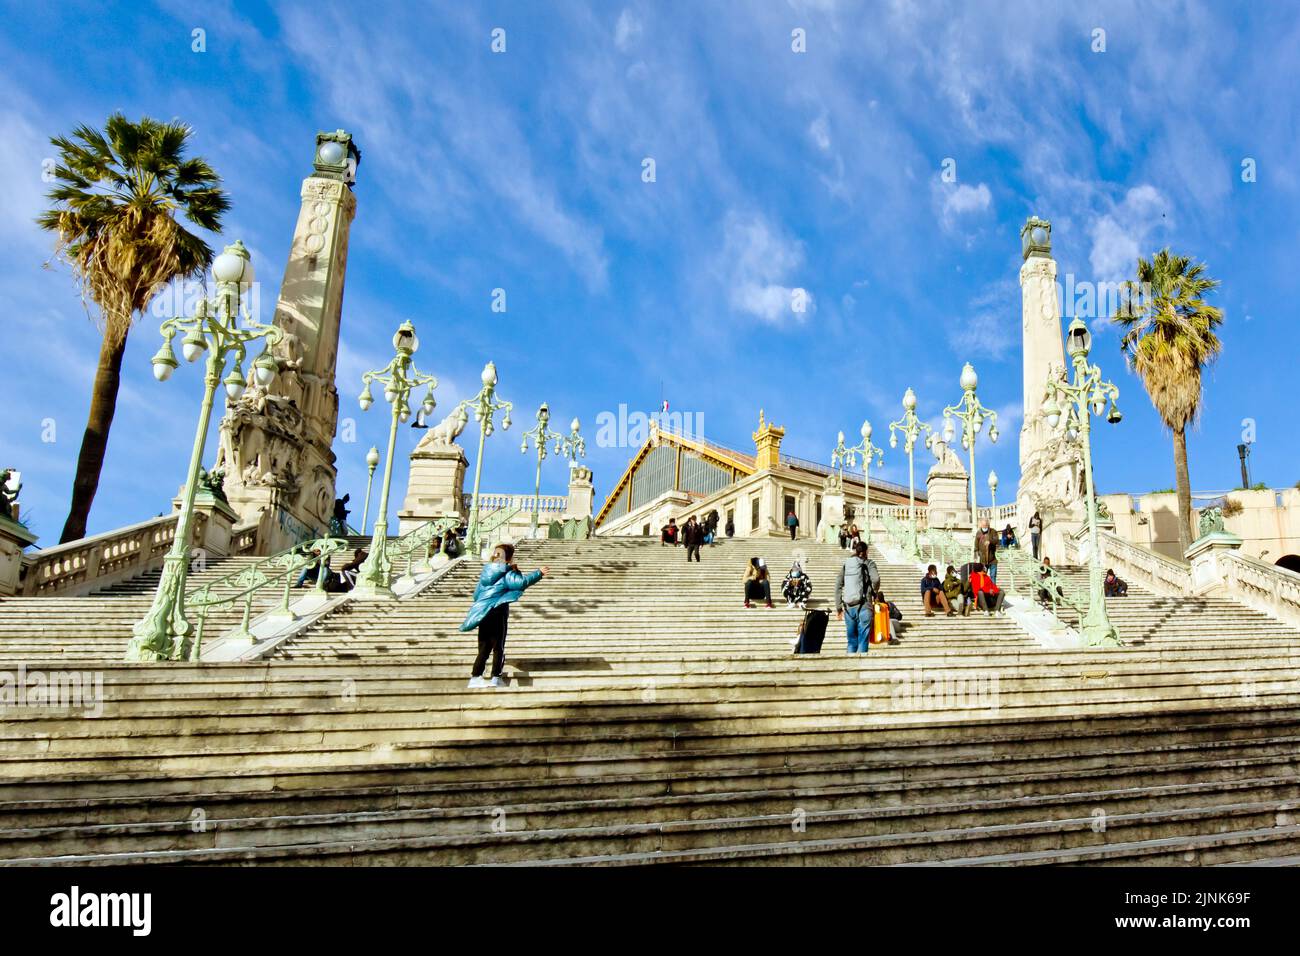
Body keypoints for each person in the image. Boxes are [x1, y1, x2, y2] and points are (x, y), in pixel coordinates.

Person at [460, 543, 549, 688]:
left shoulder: (487, 572)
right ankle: (495, 677)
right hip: (497, 611)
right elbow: (521, 583)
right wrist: (538, 572)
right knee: (497, 646)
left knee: (484, 645)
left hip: (483, 611)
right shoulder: (506, 572)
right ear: (509, 556)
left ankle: (477, 677)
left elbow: (476, 595)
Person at [834, 540, 880, 653]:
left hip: (849, 607)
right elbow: (876, 579)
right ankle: (860, 667)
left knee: (851, 641)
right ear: (866, 551)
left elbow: (838, 585)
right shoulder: (869, 563)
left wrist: (838, 607)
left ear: (855, 551)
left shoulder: (847, 565)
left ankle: (850, 667)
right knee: (863, 641)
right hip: (864, 605)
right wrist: (874, 591)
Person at [975, 518, 999, 583]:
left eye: (986, 526)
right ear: (981, 525)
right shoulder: (978, 533)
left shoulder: (993, 531)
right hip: (983, 561)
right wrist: (975, 557)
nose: (984, 527)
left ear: (988, 525)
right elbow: (976, 547)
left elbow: (996, 540)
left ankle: (993, 590)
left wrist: (990, 541)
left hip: (992, 559)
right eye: (983, 526)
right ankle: (983, 590)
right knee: (982, 577)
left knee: (993, 576)